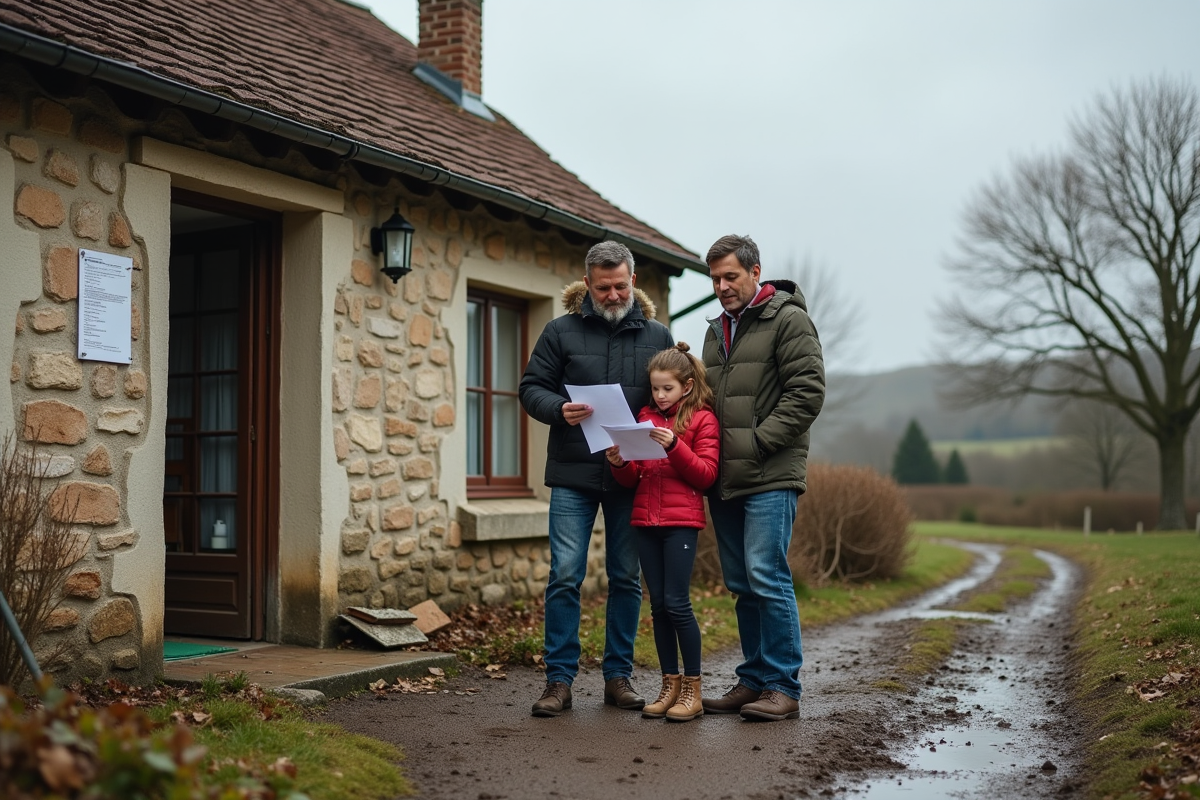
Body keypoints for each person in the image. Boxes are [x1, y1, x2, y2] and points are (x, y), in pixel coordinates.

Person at [519, 240, 674, 717]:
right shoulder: (558, 331)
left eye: (620, 286)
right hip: (572, 473)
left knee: (626, 577)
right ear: (587, 284)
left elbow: (673, 397)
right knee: (566, 575)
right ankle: (559, 682)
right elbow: (530, 388)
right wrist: (557, 409)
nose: (612, 295)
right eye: (603, 287)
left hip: (632, 475)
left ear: (633, 281)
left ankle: (617, 678)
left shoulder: (658, 334)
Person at [699, 234, 825, 722]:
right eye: (715, 279)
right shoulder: (716, 331)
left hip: (770, 473)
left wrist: (756, 443)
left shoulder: (788, 319)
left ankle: (782, 687)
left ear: (756, 271)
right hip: (725, 478)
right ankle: (752, 680)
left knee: (767, 576)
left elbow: (807, 392)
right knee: (741, 582)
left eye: (731, 276)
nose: (723, 286)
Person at [606, 343, 719, 723]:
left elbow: (705, 474)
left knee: (677, 603)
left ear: (686, 386)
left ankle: (693, 688)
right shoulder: (645, 417)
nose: (658, 395)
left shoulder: (703, 420)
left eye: (666, 388)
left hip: (681, 523)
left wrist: (675, 447)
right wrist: (620, 463)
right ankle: (668, 684)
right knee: (657, 606)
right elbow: (632, 476)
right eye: (654, 388)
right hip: (645, 521)